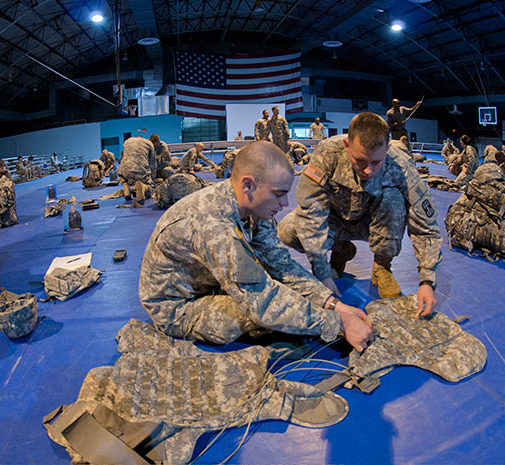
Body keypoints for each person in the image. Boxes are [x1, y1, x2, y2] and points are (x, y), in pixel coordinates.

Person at [138, 141, 373, 351]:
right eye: (279, 194)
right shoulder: (211, 224)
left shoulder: (253, 208)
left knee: (282, 293)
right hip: (177, 305)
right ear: (248, 185)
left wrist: (333, 304)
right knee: (245, 317)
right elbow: (260, 300)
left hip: (210, 281)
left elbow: (282, 266)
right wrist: (337, 323)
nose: (285, 203)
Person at [277, 112, 441, 315]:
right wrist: (322, 273)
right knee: (287, 230)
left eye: (376, 163)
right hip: (335, 220)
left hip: (372, 225)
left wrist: (427, 280)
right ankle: (340, 249)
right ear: (347, 145)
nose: (368, 171)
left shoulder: (401, 166)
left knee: (393, 199)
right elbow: (311, 211)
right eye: (361, 161)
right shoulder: (327, 154)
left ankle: (382, 266)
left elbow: (426, 227)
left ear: (387, 149)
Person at [117, 136, 157, 205]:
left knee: (121, 173)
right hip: (141, 172)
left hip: (125, 171)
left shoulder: (127, 142)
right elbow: (153, 164)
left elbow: (123, 158)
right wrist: (152, 180)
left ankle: (126, 187)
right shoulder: (149, 143)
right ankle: (142, 186)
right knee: (150, 189)